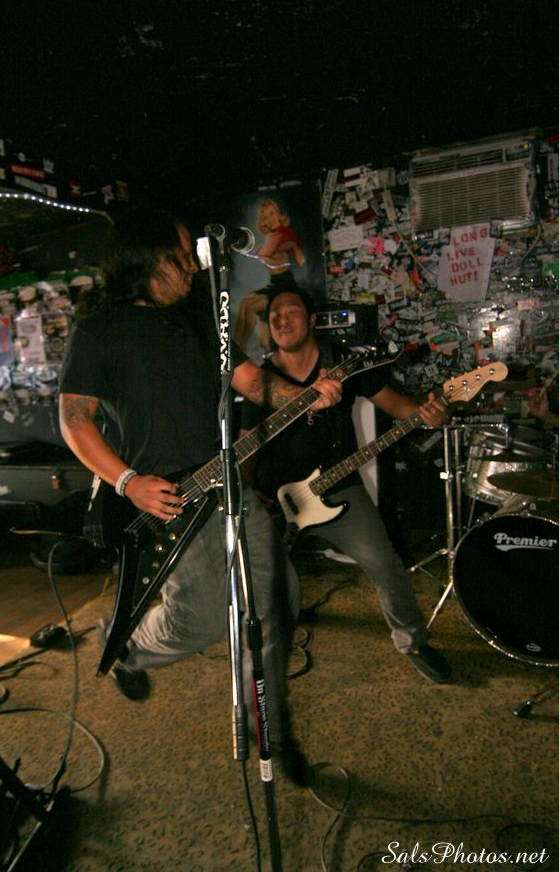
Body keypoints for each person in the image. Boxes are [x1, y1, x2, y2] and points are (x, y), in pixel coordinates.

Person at [58, 206, 342, 786]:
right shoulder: (98, 331)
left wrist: (305, 396)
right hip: (166, 495)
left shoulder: (195, 321)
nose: (192, 267)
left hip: (226, 479)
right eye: (180, 257)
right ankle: (129, 647)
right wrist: (127, 482)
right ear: (144, 260)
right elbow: (75, 420)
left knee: (274, 603)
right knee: (204, 618)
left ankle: (271, 733)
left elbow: (250, 381)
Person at [239, 287, 452, 684]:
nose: (281, 319)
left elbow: (399, 406)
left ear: (312, 320)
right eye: (274, 314)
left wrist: (430, 412)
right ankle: (266, 657)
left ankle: (413, 641)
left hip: (339, 487)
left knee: (385, 564)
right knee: (267, 585)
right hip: (276, 498)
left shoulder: (344, 366)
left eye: (291, 310)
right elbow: (246, 445)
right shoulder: (260, 381)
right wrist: (250, 494)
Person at [234, 198, 305, 351]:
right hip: (274, 284)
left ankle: (239, 349)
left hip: (284, 287)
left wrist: (262, 256)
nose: (269, 220)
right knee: (245, 303)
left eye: (272, 214)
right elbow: (263, 254)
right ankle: (236, 348)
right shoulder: (272, 236)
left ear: (279, 214)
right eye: (265, 218)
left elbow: (274, 255)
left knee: (249, 306)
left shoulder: (284, 234)